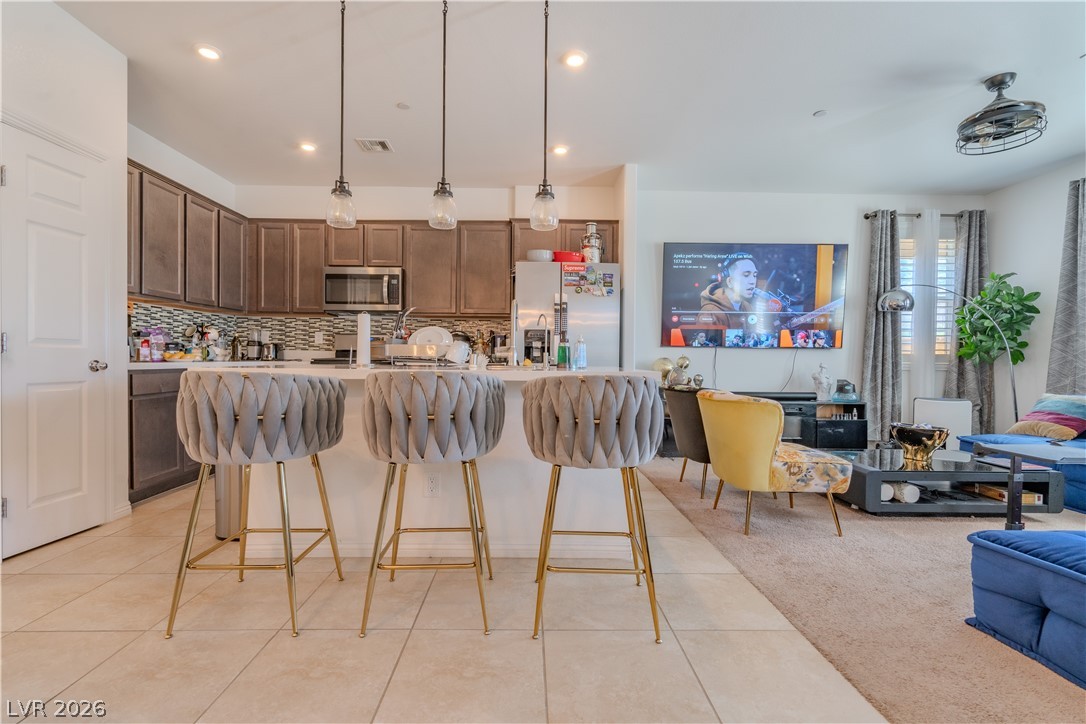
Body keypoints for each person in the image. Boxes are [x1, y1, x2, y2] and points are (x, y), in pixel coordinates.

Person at [700, 252, 761, 334]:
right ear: (729, 281)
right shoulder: (710, 312)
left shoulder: (747, 307)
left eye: (754, 275)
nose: (753, 281)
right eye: (746, 275)